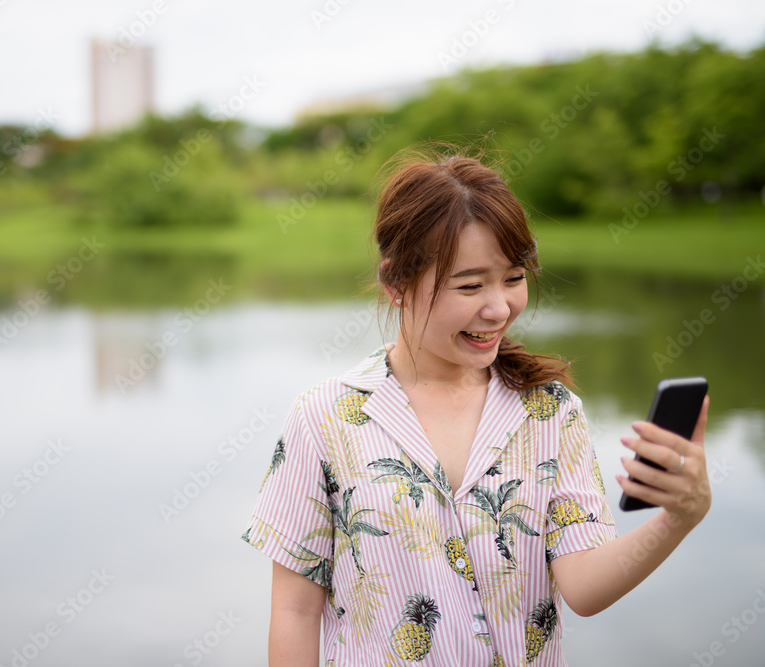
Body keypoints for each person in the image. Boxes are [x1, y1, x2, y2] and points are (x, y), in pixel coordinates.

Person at [240, 146, 711, 666]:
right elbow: (295, 612)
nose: (498, 307)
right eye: (469, 285)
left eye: (513, 278)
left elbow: (584, 588)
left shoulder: (551, 413)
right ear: (396, 283)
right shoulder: (325, 418)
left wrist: (679, 518)